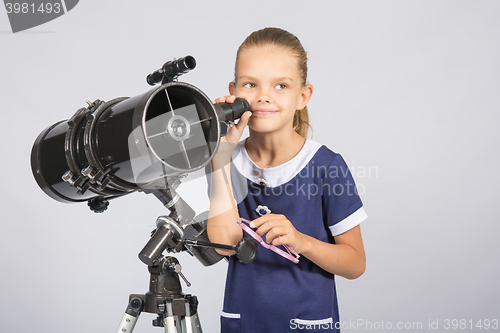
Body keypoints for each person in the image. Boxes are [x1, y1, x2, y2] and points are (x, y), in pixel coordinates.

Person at [207, 27, 367, 333]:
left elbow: (355, 263)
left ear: (302, 96)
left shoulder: (327, 166)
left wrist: (301, 240)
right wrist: (219, 156)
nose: (264, 96)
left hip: (306, 324)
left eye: (281, 85)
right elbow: (225, 244)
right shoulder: (224, 161)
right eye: (251, 84)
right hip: (243, 324)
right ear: (234, 90)